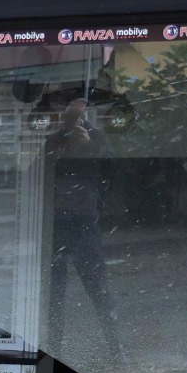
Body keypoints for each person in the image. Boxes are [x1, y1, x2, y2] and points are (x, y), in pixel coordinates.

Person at [45, 98, 125, 359]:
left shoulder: (96, 136)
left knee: (98, 287)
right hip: (57, 221)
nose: (71, 120)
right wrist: (54, 157)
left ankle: (117, 349)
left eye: (76, 115)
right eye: (67, 114)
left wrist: (90, 147)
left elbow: (113, 171)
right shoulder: (54, 140)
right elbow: (38, 177)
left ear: (83, 116)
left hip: (83, 221)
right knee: (54, 293)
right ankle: (54, 349)